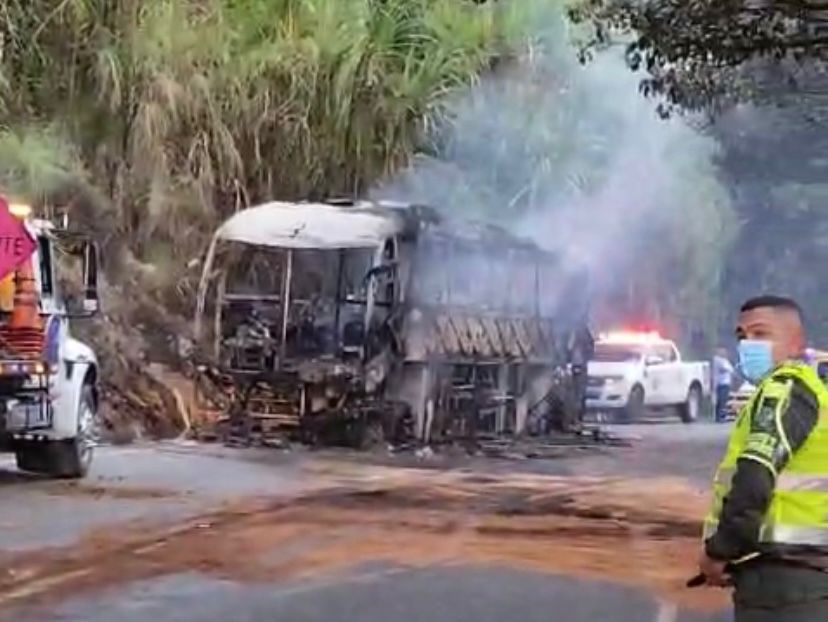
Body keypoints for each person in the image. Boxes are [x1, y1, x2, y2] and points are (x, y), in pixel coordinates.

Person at [698, 295, 828, 621]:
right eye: (742, 337)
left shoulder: (781, 393)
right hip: (804, 573)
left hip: (784, 581)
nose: (747, 346)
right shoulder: (811, 393)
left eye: (760, 334)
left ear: (796, 344)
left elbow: (754, 480)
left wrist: (719, 551)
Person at [712, 348, 735, 422]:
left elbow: (731, 369)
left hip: (725, 383)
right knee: (722, 402)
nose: (724, 353)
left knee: (722, 402)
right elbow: (727, 369)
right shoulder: (718, 360)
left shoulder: (724, 360)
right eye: (722, 351)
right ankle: (721, 417)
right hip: (722, 383)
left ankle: (719, 417)